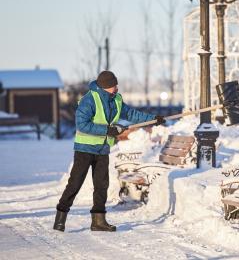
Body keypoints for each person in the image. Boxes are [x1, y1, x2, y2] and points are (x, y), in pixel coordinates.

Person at [53, 70, 165, 232]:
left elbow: (132, 114)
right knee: (74, 184)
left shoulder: (116, 99)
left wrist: (153, 119)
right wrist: (108, 130)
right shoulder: (89, 99)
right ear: (105, 86)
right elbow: (82, 125)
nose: (117, 87)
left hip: (103, 150)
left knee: (101, 185)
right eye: (114, 85)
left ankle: (98, 221)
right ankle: (61, 216)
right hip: (85, 149)